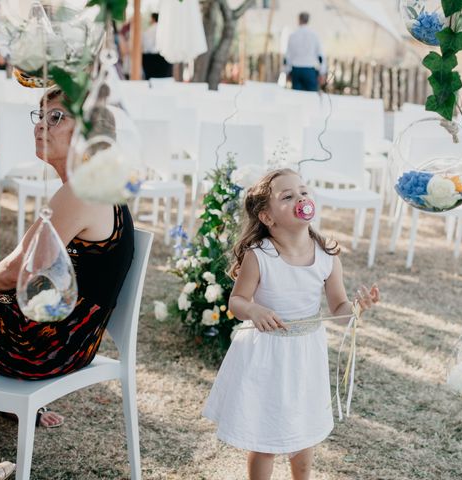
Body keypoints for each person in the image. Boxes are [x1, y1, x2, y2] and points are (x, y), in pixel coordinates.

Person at [202, 169, 380, 480]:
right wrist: (254, 310)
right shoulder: (260, 256)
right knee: (265, 438)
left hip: (305, 355)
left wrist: (355, 308)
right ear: (267, 217)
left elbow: (338, 306)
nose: (301, 198)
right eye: (287, 196)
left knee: (304, 431)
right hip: (267, 356)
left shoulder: (327, 255)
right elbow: (237, 301)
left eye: (303, 191)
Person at [0, 86, 135, 429]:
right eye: (40, 116)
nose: (41, 126)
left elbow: (15, 271)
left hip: (45, 347)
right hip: (63, 338)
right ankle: (10, 406)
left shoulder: (83, 190)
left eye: (55, 117)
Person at [284, 12, 327, 92]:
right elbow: (320, 56)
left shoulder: (292, 35)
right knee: (311, 96)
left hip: (296, 70)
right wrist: (322, 72)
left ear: (299, 20)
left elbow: (288, 56)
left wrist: (287, 71)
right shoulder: (314, 35)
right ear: (308, 20)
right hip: (309, 70)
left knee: (297, 97)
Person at [141, 13, 172, 79]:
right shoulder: (166, 30)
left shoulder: (150, 30)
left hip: (152, 59)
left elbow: (146, 45)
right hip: (165, 60)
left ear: (153, 19)